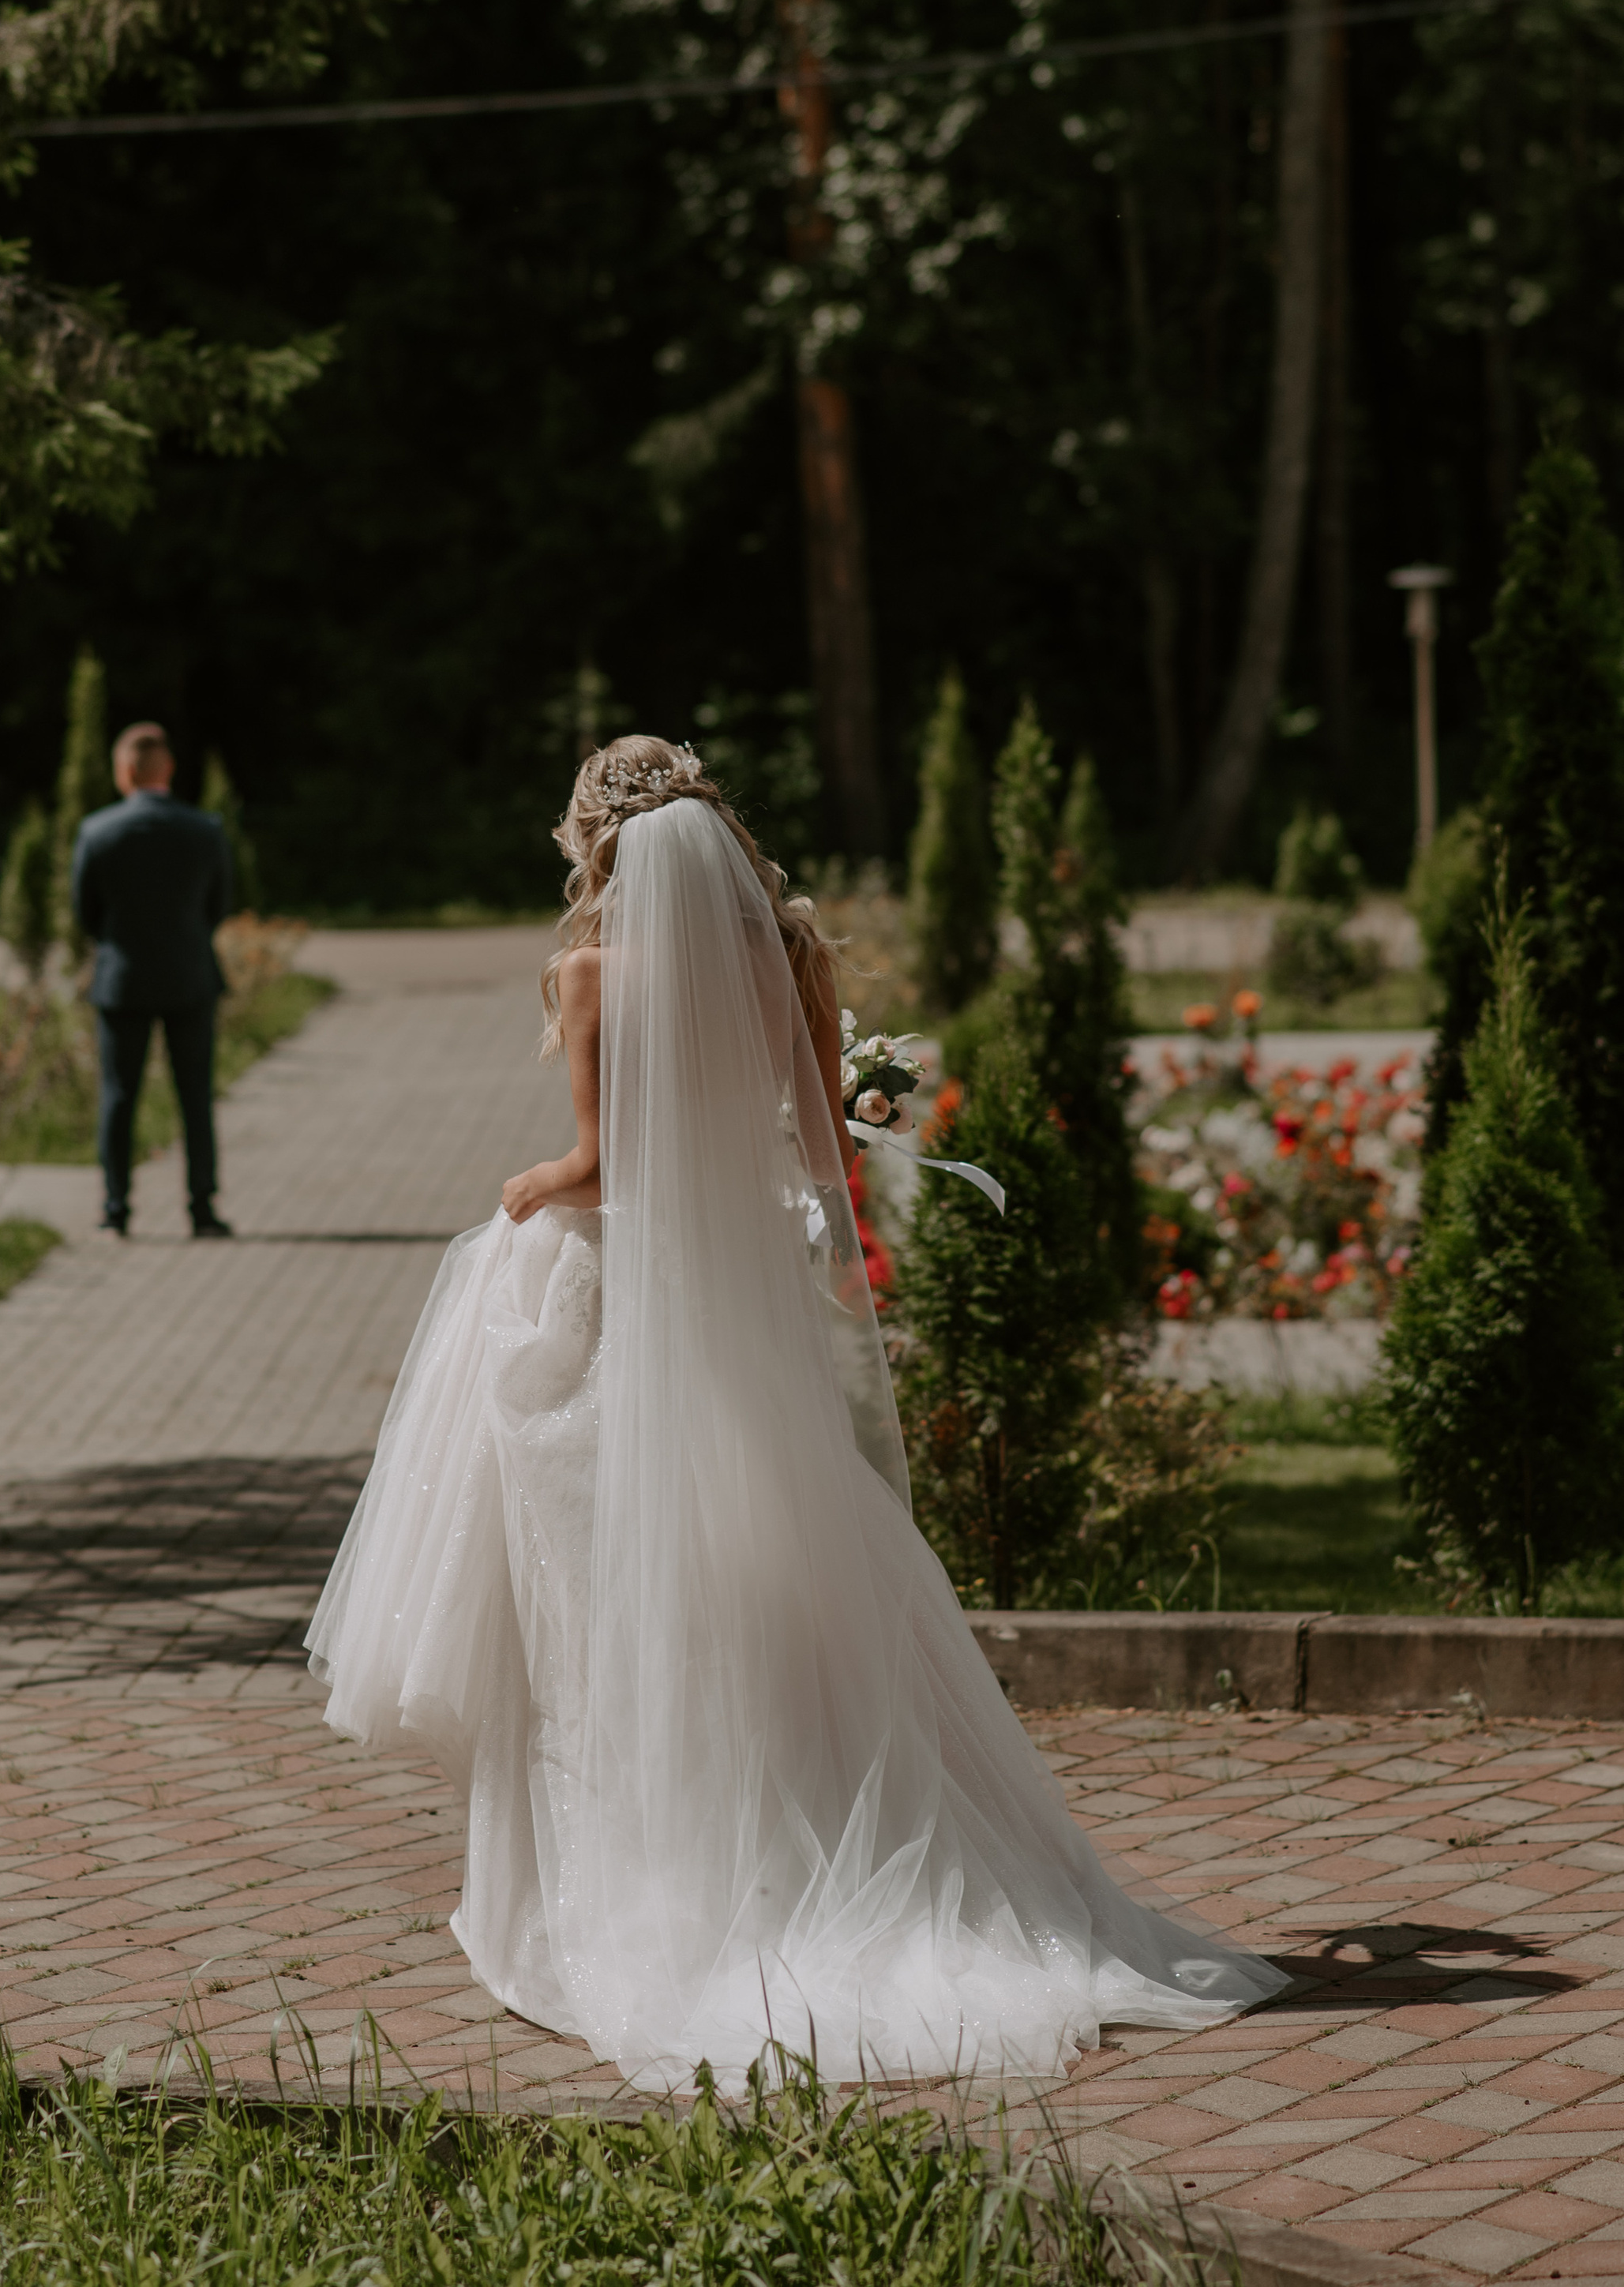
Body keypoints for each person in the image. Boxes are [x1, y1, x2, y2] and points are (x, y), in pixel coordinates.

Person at [307, 735, 1286, 2093]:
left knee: (606, 1602)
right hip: (737, 1302)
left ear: (603, 839)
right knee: (772, 1565)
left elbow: (600, 1165)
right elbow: (824, 1155)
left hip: (621, 1309)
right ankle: (822, 1831)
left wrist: (528, 1185)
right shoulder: (795, 961)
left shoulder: (589, 972)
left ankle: (620, 1887)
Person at [72, 720, 234, 1240]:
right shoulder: (204, 829)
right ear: (168, 769)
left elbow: (85, 913)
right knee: (195, 1097)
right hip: (189, 976)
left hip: (123, 980)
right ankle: (202, 1210)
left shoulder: (98, 832)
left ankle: (115, 1210)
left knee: (120, 1097)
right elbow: (220, 904)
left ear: (124, 772)